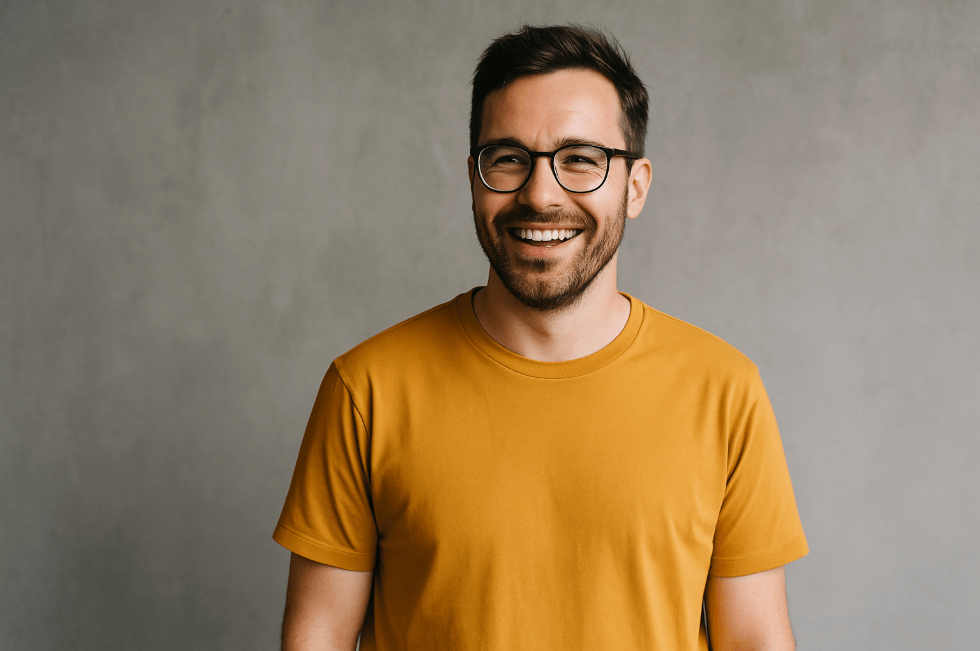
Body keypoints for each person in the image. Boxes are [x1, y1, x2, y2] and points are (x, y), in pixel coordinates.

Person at [274, 24, 808, 651]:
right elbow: (318, 639)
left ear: (634, 188)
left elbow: (754, 641)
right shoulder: (367, 390)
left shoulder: (725, 392)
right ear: (474, 178)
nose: (540, 193)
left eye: (580, 159)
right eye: (507, 159)